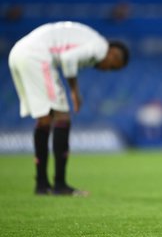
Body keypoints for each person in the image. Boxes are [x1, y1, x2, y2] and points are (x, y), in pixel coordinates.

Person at [8, 21, 129, 196]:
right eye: (112, 66)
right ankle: (59, 185)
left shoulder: (90, 40)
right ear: (114, 54)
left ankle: (42, 184)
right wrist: (74, 91)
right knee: (62, 117)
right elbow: (68, 59)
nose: (106, 70)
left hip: (18, 53)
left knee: (44, 119)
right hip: (36, 56)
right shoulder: (99, 46)